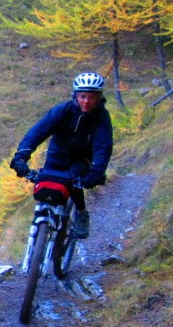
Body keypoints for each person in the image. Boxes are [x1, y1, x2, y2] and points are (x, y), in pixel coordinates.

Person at [9, 71, 113, 239]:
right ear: (76, 95)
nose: (86, 101)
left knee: (72, 181)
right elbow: (38, 132)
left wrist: (96, 173)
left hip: (82, 158)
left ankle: (81, 212)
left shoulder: (101, 117)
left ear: (99, 97)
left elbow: (103, 147)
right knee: (48, 187)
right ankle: (42, 230)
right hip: (57, 155)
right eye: (83, 96)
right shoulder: (63, 110)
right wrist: (21, 157)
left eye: (92, 97)